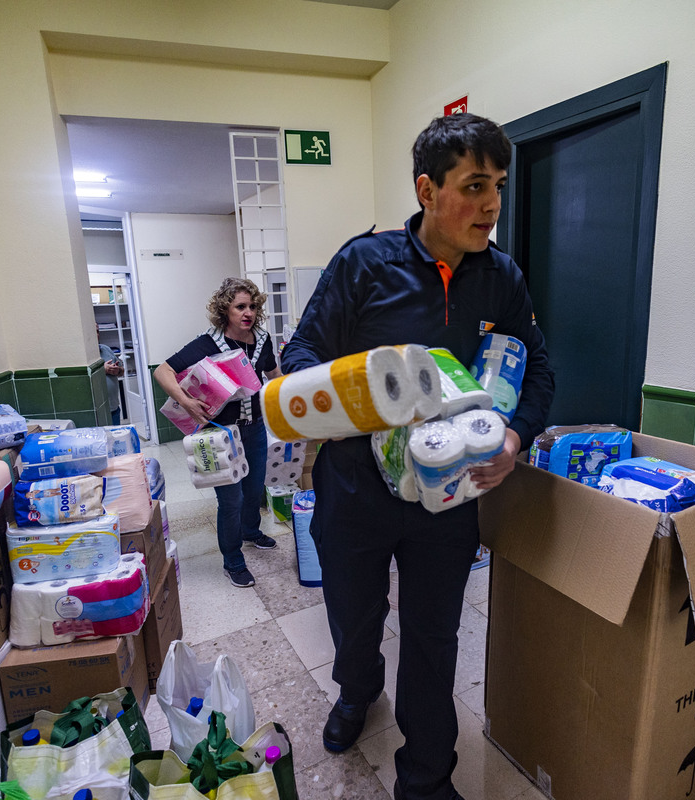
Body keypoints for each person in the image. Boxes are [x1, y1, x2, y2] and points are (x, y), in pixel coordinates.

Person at [280, 114, 554, 800]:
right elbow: (301, 357)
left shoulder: (502, 279)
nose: (492, 204)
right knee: (354, 618)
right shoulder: (364, 264)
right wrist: (347, 406)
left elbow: (538, 367)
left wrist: (515, 437)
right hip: (355, 492)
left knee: (433, 639)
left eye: (499, 186)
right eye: (475, 185)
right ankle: (355, 691)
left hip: (447, 495)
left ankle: (427, 778)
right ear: (427, 190)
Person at [154, 277, 282, 588]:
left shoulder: (262, 341)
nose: (248, 312)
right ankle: (233, 561)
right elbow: (162, 370)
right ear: (225, 310)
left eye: (252, 306)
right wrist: (186, 402)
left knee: (254, 491)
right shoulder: (206, 344)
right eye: (240, 307)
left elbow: (274, 376)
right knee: (232, 500)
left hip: (255, 431)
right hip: (219, 434)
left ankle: (251, 532)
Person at [98, 341, 124, 424]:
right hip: (99, 413)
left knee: (115, 436)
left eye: (98, 331)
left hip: (114, 408)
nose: (96, 334)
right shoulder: (85, 356)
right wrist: (103, 370)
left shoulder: (105, 349)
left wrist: (117, 370)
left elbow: (121, 371)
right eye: (94, 331)